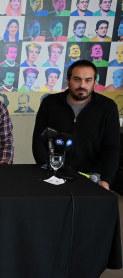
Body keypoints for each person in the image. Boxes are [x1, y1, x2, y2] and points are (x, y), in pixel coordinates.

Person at [32, 60, 119, 190]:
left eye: (88, 80)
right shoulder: (50, 103)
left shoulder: (107, 107)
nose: (82, 85)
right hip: (54, 174)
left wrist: (106, 179)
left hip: (91, 176)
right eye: (77, 79)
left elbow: (111, 147)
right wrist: (46, 167)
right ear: (68, 80)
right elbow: (38, 139)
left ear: (95, 82)